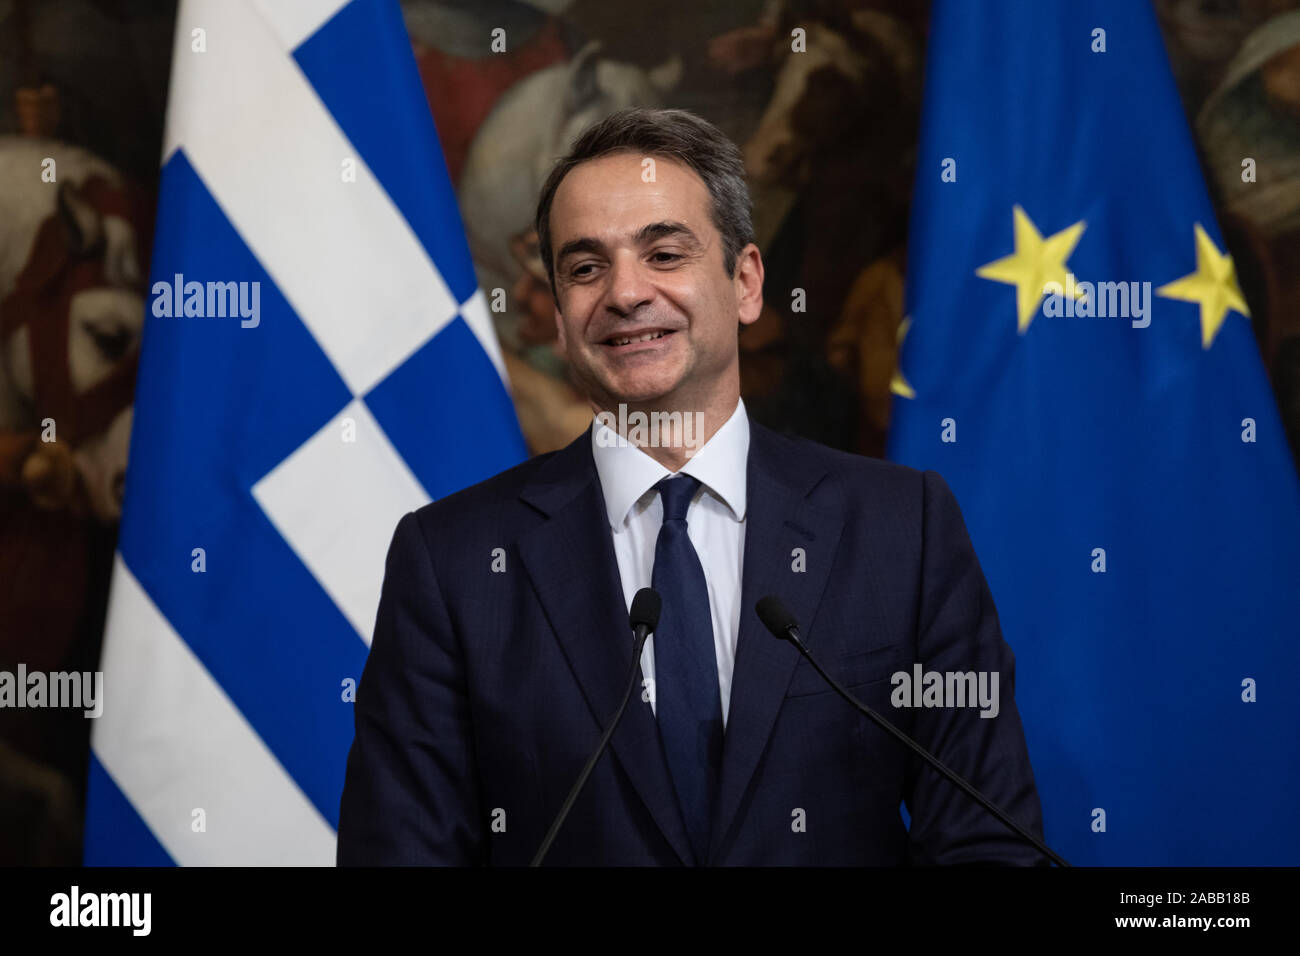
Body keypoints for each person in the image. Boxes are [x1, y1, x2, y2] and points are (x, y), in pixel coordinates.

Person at [337, 107, 1045, 865]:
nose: (625, 293)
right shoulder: (452, 562)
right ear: (560, 312)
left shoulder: (904, 529)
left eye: (664, 254)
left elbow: (988, 845)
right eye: (584, 268)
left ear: (745, 282)